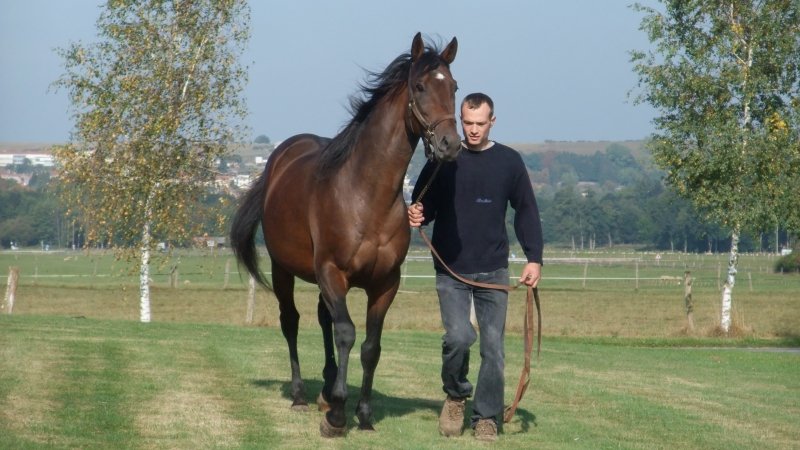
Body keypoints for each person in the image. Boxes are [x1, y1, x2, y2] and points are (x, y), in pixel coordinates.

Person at [408, 92, 543, 442]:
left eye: (480, 123)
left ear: (492, 122)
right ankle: (455, 395)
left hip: (493, 271)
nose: (473, 130)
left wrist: (534, 258)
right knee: (458, 338)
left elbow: (526, 211)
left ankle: (486, 417)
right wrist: (418, 212)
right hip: (450, 269)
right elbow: (423, 203)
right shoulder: (444, 159)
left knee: (493, 349)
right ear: (460, 120)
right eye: (467, 123)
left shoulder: (510, 162)